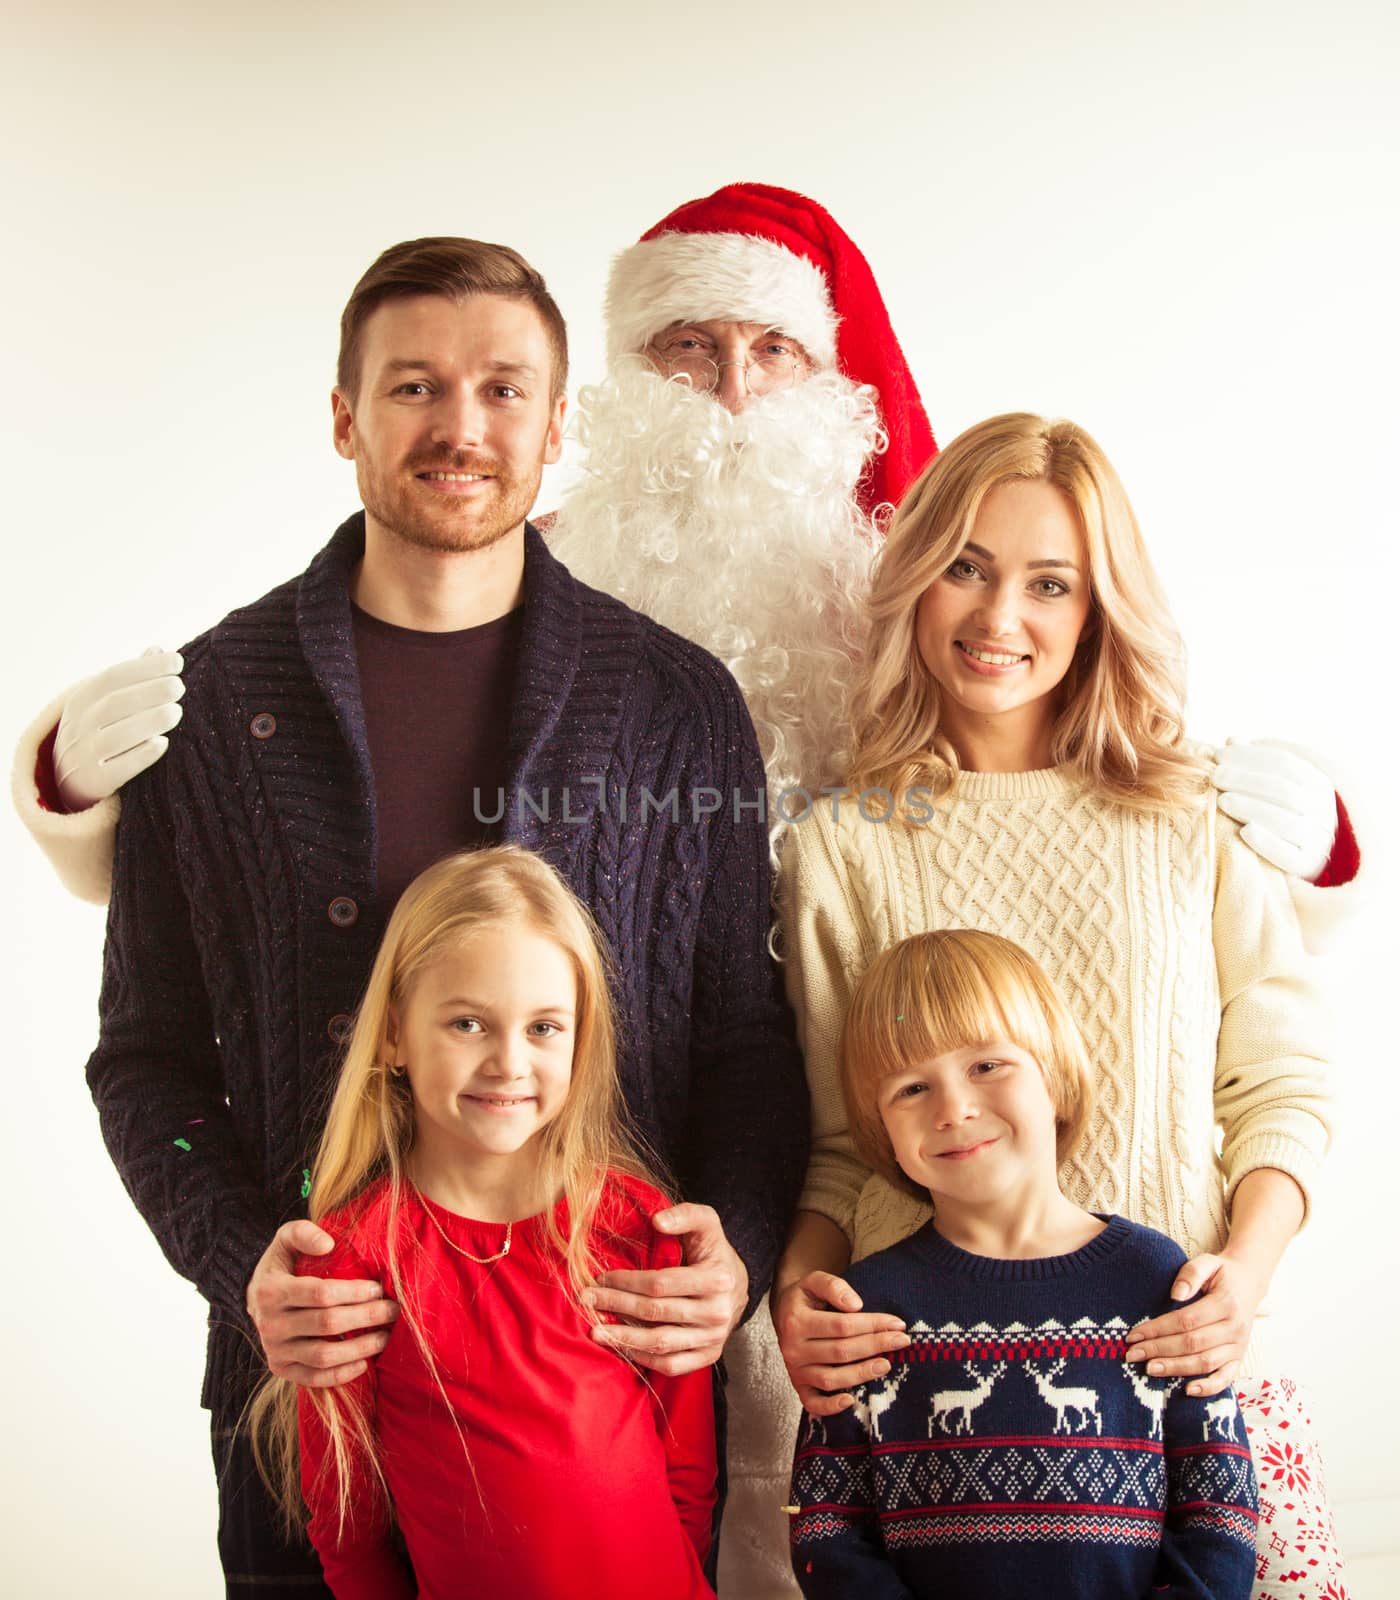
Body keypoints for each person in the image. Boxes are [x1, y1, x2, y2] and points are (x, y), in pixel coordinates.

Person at [78, 235, 806, 1594]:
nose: (462, 427)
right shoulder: (209, 709)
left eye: (504, 390)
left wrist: (738, 1251)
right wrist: (247, 1269)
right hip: (312, 1401)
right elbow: (146, 1058)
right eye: (414, 388)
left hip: (595, 1412)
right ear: (346, 416)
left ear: (557, 421)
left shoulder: (675, 703)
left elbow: (747, 1040)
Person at [774, 412, 1346, 1598]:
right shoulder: (842, 843)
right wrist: (799, 1295)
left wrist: (1239, 1275)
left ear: (1097, 611)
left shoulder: (1194, 815)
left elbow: (1278, 1083)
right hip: (940, 1431)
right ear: (915, 575)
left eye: (1049, 583)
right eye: (965, 568)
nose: (996, 619)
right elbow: (840, 1143)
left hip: (1179, 1398)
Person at [252, 846, 717, 1599]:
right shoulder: (352, 1267)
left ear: (581, 1036)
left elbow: (689, 1480)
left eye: (543, 1028)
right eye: (469, 1023)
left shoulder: (640, 1229)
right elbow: (349, 1536)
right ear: (396, 1033)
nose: (509, 1061)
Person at [789, 927, 1259, 1599]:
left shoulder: (1158, 1280)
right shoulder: (866, 1313)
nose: (955, 1109)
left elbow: (1219, 1506)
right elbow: (825, 1524)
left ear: (1057, 1081)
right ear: (880, 1133)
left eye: (987, 1065)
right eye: (913, 1088)